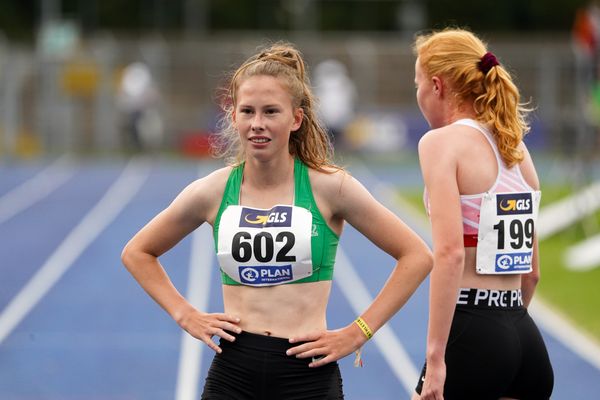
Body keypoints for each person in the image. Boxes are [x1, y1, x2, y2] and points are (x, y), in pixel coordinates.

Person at [121, 41, 432, 399]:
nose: (257, 124)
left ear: (295, 118)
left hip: (308, 374)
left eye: (271, 112)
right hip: (233, 372)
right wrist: (184, 313)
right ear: (233, 116)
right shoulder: (212, 191)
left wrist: (359, 331)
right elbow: (138, 252)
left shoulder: (331, 188)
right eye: (247, 111)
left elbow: (417, 256)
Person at [411, 28, 554, 399]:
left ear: (437, 86)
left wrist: (436, 356)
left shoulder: (441, 143)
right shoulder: (517, 148)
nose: (419, 96)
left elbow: (449, 253)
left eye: (418, 84)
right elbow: (532, 274)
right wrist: (506, 327)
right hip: (525, 338)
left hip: (473, 329)